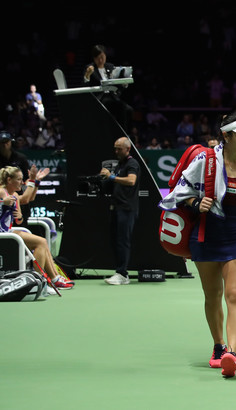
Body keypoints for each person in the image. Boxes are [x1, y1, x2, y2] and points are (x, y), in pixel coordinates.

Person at [157, 111, 236, 378]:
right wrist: (196, 202)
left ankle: (232, 353)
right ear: (226, 136)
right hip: (207, 236)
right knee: (213, 296)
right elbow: (180, 194)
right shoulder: (204, 161)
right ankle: (218, 345)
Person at [1, 166, 73, 290]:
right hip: (4, 234)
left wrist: (20, 216)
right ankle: (40, 282)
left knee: (42, 242)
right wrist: (2, 203)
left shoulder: (16, 196)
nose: (22, 182)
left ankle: (52, 279)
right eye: (19, 179)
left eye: (23, 179)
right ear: (9, 180)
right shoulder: (2, 191)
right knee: (40, 242)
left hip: (7, 232)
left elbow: (21, 215)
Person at [99, 137, 140, 285]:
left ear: (127, 149)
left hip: (127, 208)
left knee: (123, 241)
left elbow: (131, 181)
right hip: (116, 208)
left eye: (119, 149)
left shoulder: (132, 163)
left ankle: (123, 274)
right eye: (115, 148)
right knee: (116, 241)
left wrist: (112, 177)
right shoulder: (120, 165)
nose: (116, 151)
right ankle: (119, 271)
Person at [83, 44, 134, 133]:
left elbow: (117, 85)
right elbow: (84, 85)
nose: (101, 60)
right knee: (120, 107)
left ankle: (128, 134)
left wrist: (123, 84)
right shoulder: (90, 68)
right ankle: (122, 134)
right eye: (98, 58)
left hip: (113, 96)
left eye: (102, 57)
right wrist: (87, 75)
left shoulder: (110, 66)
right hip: (101, 98)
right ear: (94, 58)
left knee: (129, 110)